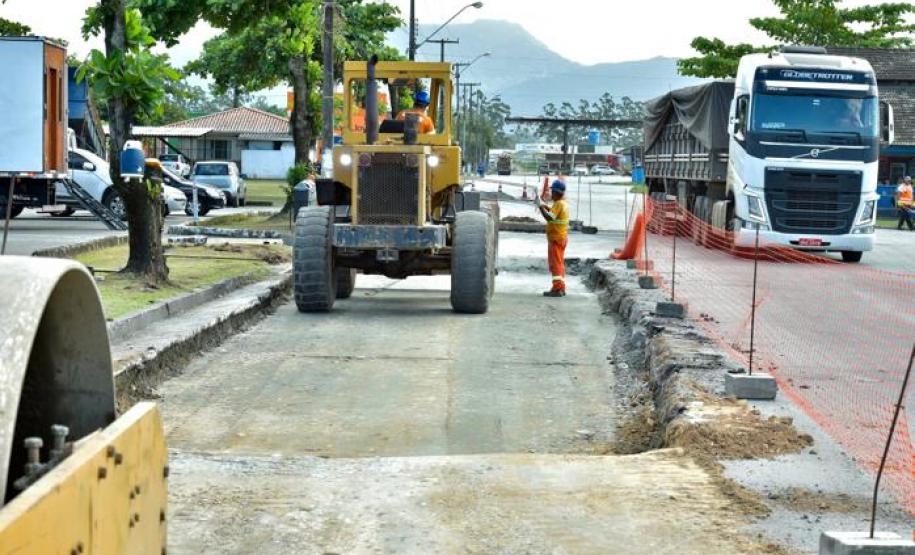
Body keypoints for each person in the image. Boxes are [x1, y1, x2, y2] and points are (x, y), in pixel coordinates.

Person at [536, 179, 570, 297]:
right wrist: (545, 205)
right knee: (559, 263)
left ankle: (557, 289)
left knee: (556, 264)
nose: (551, 194)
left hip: (556, 239)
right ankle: (561, 287)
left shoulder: (558, 204)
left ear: (556, 193)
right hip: (560, 238)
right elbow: (554, 213)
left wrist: (540, 207)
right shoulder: (563, 204)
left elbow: (550, 217)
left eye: (552, 192)